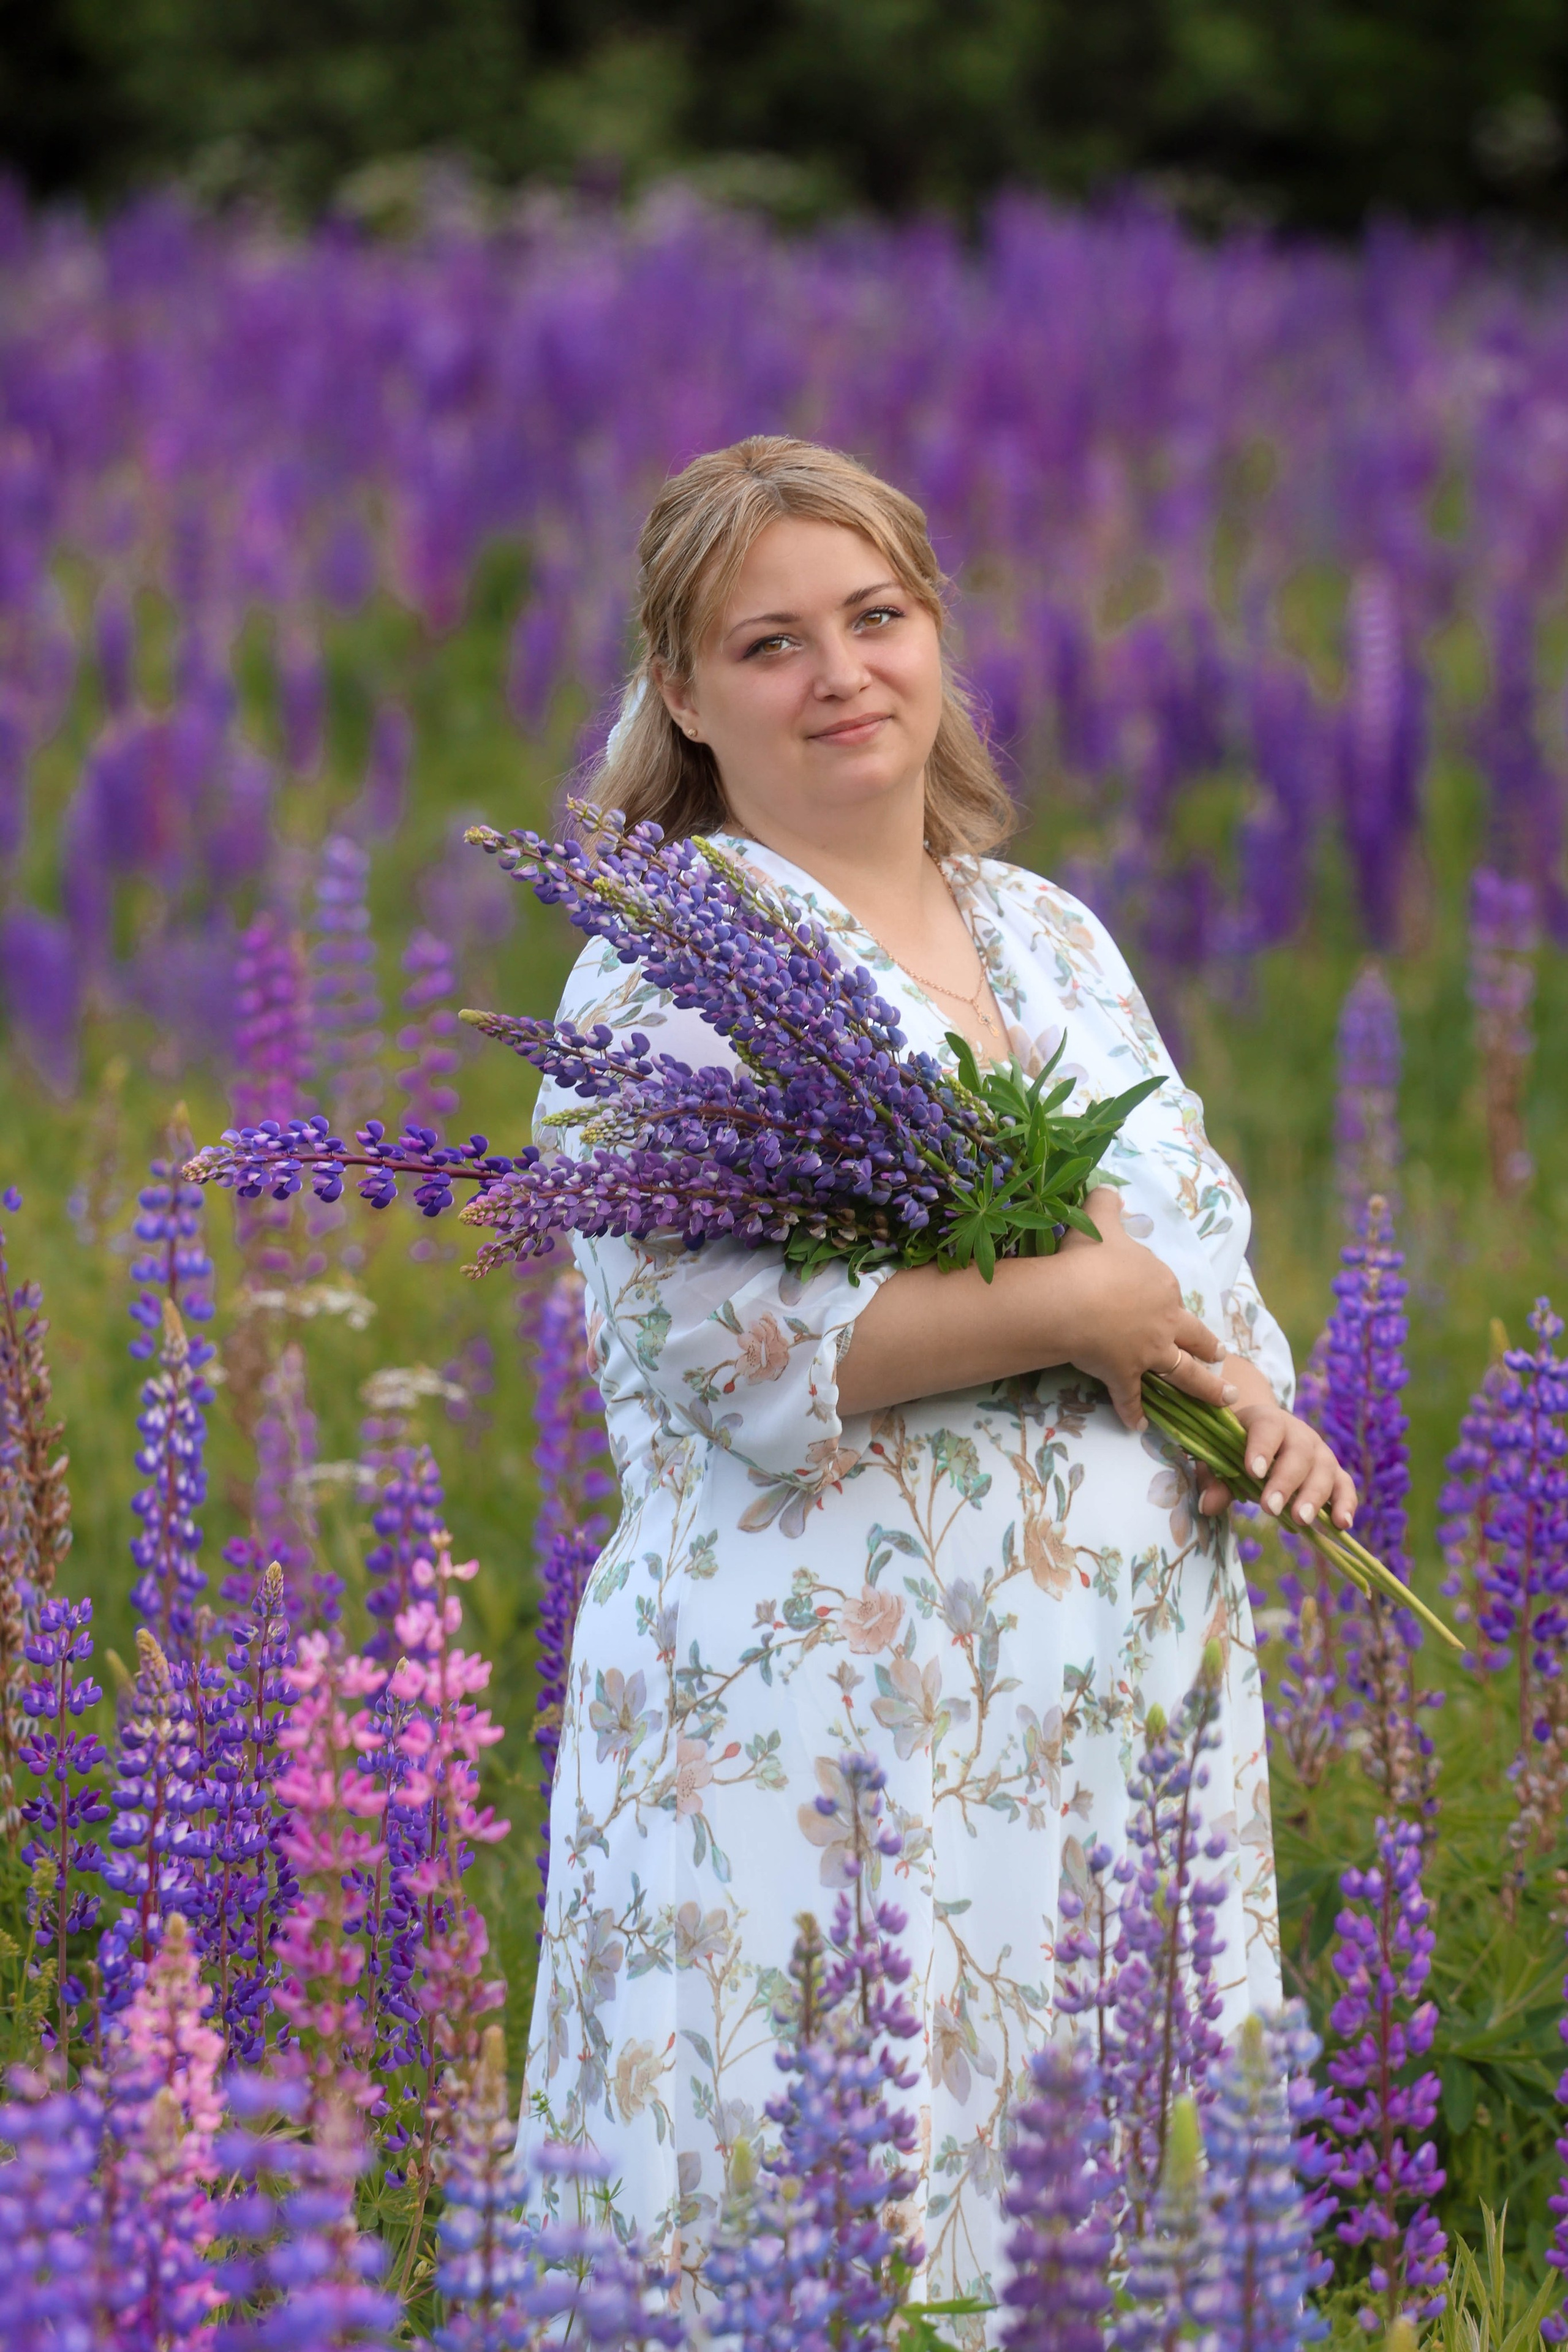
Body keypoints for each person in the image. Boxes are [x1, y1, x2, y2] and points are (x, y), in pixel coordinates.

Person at [518, 434, 1354, 2315]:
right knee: (822, 2231)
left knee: (1096, 2230)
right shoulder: (672, 966)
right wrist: (1070, 1306)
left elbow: (1188, 1246)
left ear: (937, 631)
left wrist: (1252, 1406)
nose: (842, 675)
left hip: (1107, 1743)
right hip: (827, 1753)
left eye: (876, 617)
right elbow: (721, 1351)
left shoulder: (1046, 928)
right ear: (681, 691)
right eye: (772, 644)